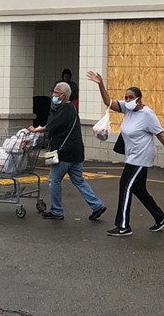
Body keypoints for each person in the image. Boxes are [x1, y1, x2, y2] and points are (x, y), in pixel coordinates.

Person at [86, 70, 164, 237]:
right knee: (138, 189)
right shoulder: (128, 109)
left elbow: (161, 135)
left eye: (130, 97)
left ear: (139, 99)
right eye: (126, 97)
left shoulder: (148, 115)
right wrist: (100, 84)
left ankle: (123, 226)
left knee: (125, 186)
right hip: (132, 156)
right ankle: (161, 217)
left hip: (141, 157)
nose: (127, 100)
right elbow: (108, 101)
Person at [29, 81, 107, 222]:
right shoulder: (71, 109)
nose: (53, 95)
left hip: (64, 153)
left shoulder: (64, 110)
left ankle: (56, 211)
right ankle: (97, 205)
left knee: (54, 180)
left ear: (63, 96)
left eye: (56, 92)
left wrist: (36, 130)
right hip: (76, 152)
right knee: (79, 180)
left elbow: (51, 126)